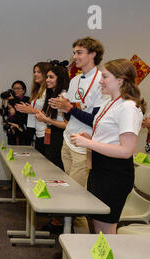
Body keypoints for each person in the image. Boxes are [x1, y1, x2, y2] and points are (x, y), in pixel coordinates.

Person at [70, 58, 145, 234]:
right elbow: (110, 138)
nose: (100, 81)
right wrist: (91, 138)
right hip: (100, 169)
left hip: (114, 174)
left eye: (105, 77)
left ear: (120, 80)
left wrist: (90, 142)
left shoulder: (128, 107)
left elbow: (126, 151)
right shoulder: (109, 102)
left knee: (105, 228)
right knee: (97, 225)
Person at [49, 36, 105, 234]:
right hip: (68, 141)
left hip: (84, 147)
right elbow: (71, 113)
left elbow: (96, 121)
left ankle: (81, 250)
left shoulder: (102, 81)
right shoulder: (74, 80)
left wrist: (70, 108)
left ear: (93, 54)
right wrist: (62, 107)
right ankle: (69, 244)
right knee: (68, 195)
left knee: (77, 199)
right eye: (74, 52)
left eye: (79, 53)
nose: (74, 57)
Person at [35, 62, 70, 170]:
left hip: (59, 137)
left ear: (60, 79)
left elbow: (66, 125)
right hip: (51, 134)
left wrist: (47, 119)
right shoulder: (53, 95)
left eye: (51, 77)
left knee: (56, 169)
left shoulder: (63, 97)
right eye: (47, 77)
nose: (47, 80)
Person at [15, 62, 50, 154]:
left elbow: (50, 113)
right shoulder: (38, 90)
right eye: (34, 72)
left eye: (38, 72)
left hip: (46, 132)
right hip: (38, 132)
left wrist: (31, 110)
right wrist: (28, 108)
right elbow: (37, 109)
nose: (35, 74)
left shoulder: (49, 91)